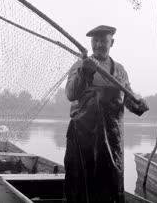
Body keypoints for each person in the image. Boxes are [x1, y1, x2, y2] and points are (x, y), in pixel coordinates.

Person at [64, 25, 149, 203]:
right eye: (95, 41)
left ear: (112, 43)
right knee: (80, 183)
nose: (99, 45)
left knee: (110, 185)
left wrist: (139, 105)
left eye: (104, 41)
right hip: (83, 138)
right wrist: (85, 72)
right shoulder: (81, 65)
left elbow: (128, 100)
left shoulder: (120, 70)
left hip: (112, 139)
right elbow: (71, 94)